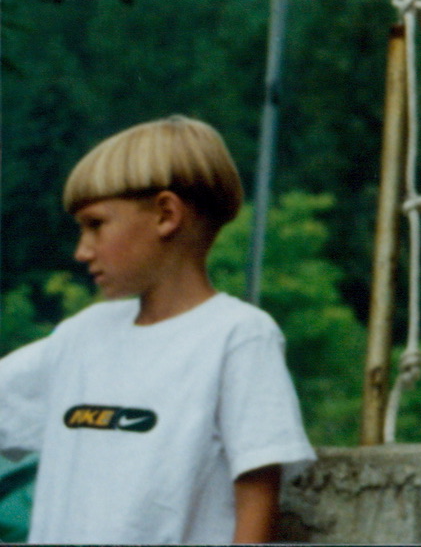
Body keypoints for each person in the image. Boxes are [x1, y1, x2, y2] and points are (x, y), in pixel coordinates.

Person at [0, 117, 314, 545]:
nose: (81, 251)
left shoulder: (238, 336)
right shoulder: (79, 337)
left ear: (166, 214)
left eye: (95, 225)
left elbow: (257, 490)